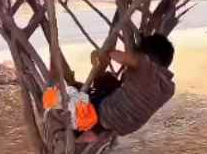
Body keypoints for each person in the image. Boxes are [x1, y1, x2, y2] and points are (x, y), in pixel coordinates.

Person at [41, 34, 177, 141]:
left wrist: (106, 53)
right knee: (108, 82)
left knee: (68, 99)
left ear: (146, 56)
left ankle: (87, 132)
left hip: (106, 112)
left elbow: (119, 56)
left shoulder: (145, 66)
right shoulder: (169, 88)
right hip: (127, 126)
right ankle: (96, 131)